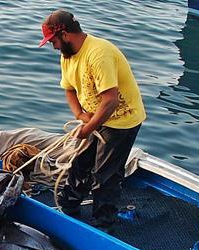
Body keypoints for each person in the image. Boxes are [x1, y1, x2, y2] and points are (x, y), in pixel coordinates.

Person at [38, 10, 146, 227]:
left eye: (54, 41)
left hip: (121, 119)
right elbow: (69, 90)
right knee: (80, 162)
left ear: (66, 34)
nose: (54, 46)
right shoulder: (67, 56)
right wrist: (79, 115)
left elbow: (111, 100)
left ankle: (103, 222)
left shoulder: (99, 54)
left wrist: (87, 129)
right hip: (94, 118)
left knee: (105, 174)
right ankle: (69, 205)